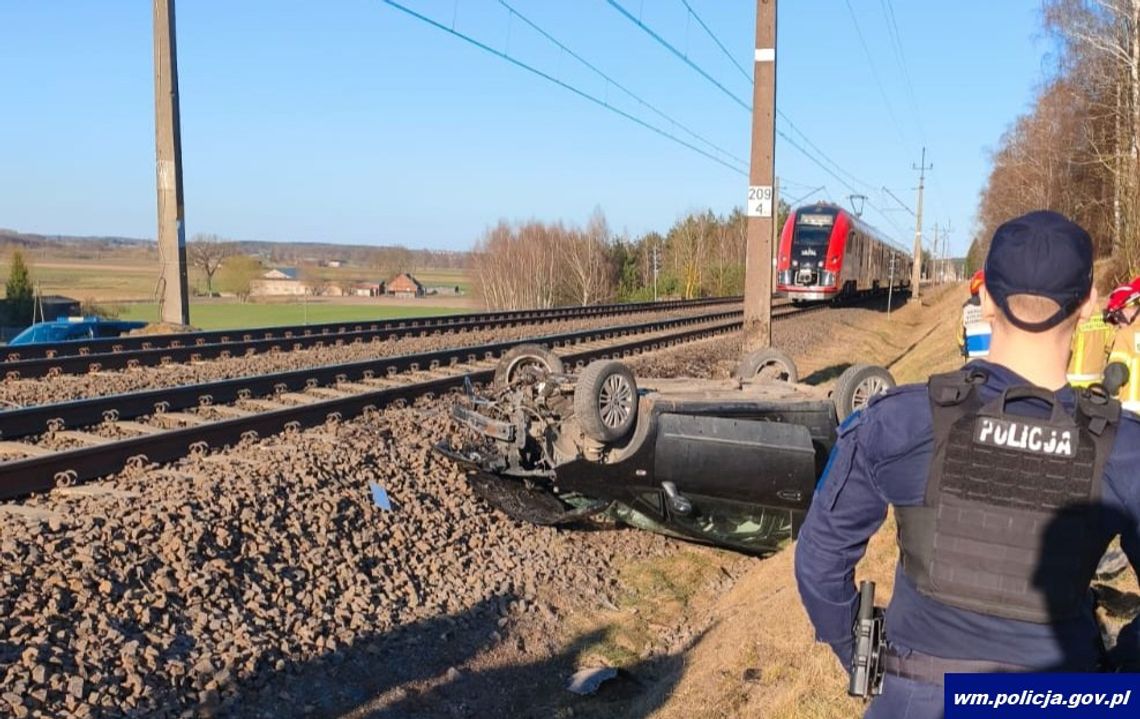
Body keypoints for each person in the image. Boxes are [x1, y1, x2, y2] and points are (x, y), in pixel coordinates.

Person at [795, 210, 1140, 718]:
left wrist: (868, 661)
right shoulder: (1124, 449)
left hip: (918, 698)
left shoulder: (901, 422)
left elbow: (819, 563)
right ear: (1089, 302)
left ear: (984, 299)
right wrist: (1116, 678)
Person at [958, 270, 991, 359]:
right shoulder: (996, 310)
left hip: (972, 362)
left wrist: (963, 349)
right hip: (993, 361)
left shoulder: (966, 311)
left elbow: (960, 338)